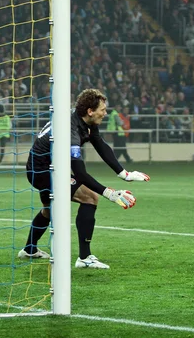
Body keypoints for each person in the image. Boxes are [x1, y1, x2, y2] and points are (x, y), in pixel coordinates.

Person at [19, 89, 150, 269]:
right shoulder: (70, 132)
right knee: (90, 197)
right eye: (103, 110)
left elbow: (101, 145)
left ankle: (29, 249)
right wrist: (109, 193)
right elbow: (80, 174)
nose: (105, 113)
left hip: (45, 169)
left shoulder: (84, 122)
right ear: (90, 111)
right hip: (42, 172)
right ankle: (84, 257)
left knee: (49, 211)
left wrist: (124, 174)